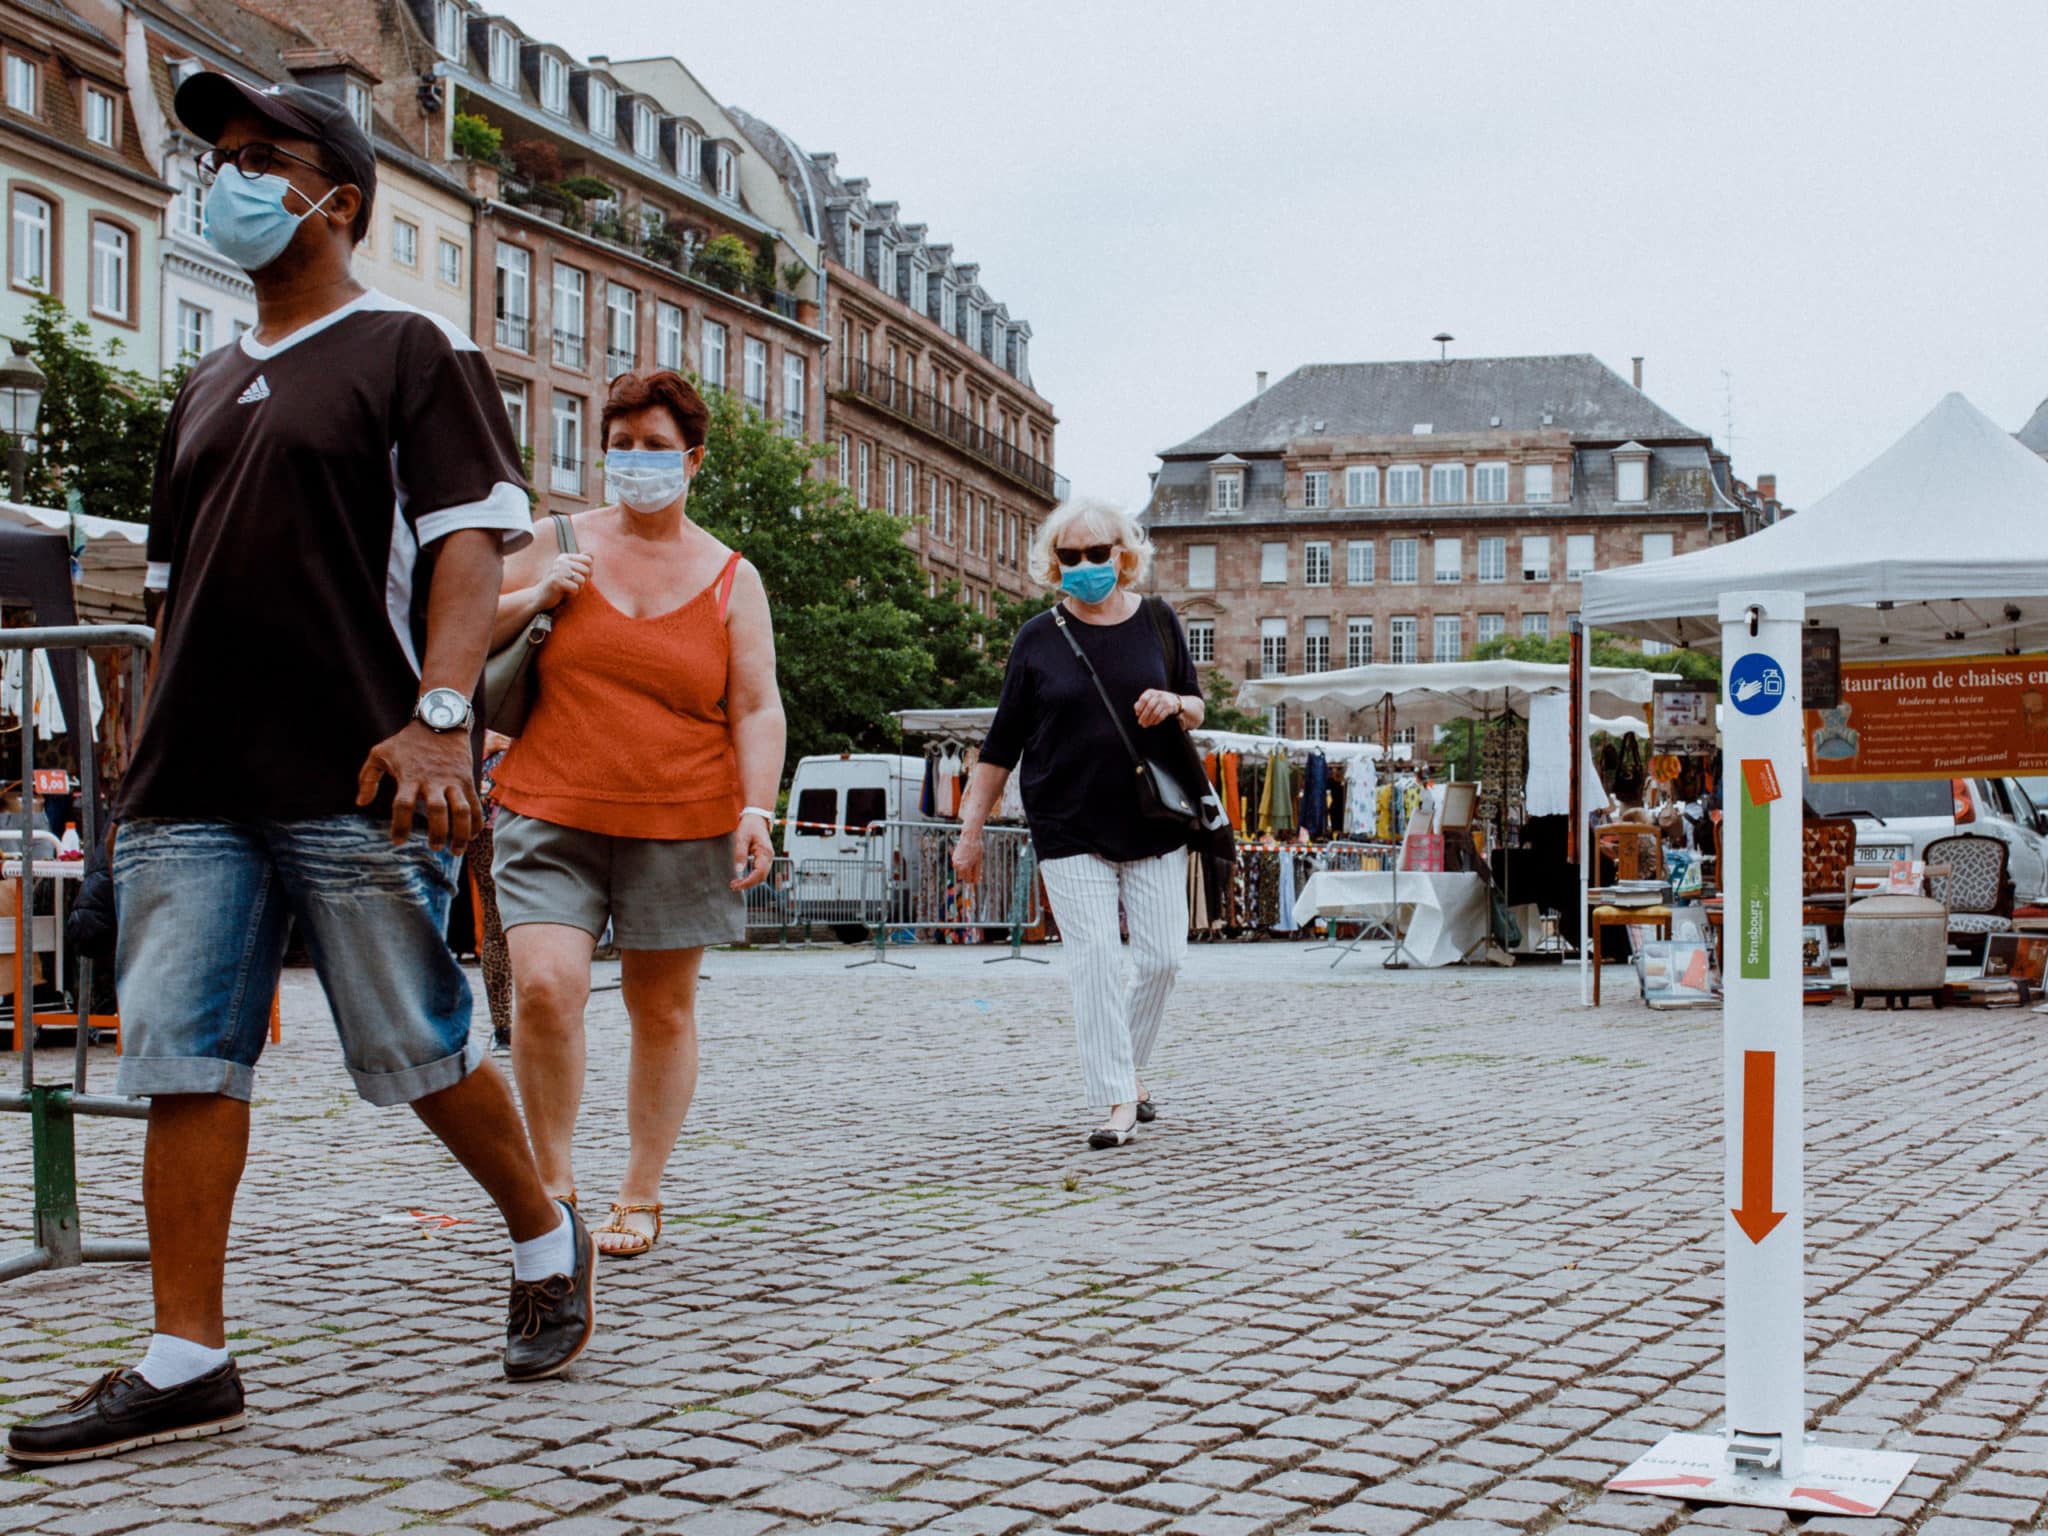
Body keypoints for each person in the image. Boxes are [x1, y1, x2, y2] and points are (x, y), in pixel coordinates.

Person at [6, 77, 594, 1467]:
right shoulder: (204, 384)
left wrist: (440, 718)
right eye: (219, 159)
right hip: (193, 781)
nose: (233, 180)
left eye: (263, 158)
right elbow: (168, 595)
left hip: (360, 763)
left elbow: (469, 543)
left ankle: (540, 1227)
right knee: (185, 1062)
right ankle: (186, 1356)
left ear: (338, 193)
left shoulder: (409, 347)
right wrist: (136, 755)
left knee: (414, 1049)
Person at [490, 370, 785, 1259]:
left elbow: (756, 707)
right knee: (545, 989)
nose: (635, 461)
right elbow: (453, 616)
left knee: (662, 1009)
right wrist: (538, 596)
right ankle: (553, 1188)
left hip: (683, 813)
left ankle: (641, 1190)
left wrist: (758, 808)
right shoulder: (555, 540)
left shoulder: (733, 576)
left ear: (692, 460)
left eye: (656, 447)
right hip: (549, 805)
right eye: (621, 444)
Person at [952, 501, 1203, 1148]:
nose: (1087, 566)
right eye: (1072, 556)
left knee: (1164, 959)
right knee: (1093, 958)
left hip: (1153, 817)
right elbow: (1001, 745)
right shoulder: (1038, 637)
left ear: (1123, 553)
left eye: (1098, 553)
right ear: (1054, 561)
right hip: (1065, 821)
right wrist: (970, 831)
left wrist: (1174, 703)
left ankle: (1127, 1069)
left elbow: (1195, 703)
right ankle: (1117, 1100)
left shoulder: (1158, 620)